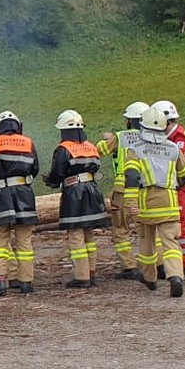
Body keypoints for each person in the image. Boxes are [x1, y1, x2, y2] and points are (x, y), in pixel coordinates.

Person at [121, 106, 185, 297]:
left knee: (147, 241)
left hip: (146, 201)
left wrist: (130, 201)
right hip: (168, 200)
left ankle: (149, 276)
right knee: (170, 242)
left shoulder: (135, 149)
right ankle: (175, 276)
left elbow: (132, 176)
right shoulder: (173, 148)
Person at [44, 110, 108, 288]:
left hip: (74, 192)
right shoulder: (90, 146)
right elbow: (95, 165)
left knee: (76, 235)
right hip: (92, 190)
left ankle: (81, 276)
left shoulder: (64, 149)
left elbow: (58, 172)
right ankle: (91, 272)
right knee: (89, 234)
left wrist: (50, 180)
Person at [0, 111, 40, 294]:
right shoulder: (28, 142)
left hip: (2, 195)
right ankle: (26, 283)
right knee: (24, 241)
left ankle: (0, 282)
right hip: (24, 194)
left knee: (0, 240)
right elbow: (35, 169)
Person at [99, 103, 147, 281]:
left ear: (129, 120)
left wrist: (107, 138)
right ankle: (155, 263)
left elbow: (99, 151)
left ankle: (129, 266)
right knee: (147, 228)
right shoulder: (154, 137)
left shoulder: (120, 137)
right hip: (146, 188)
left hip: (123, 189)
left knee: (120, 228)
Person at [157, 100, 185, 275]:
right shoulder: (171, 136)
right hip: (174, 187)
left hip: (180, 187)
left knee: (180, 222)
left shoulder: (179, 138)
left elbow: (182, 168)